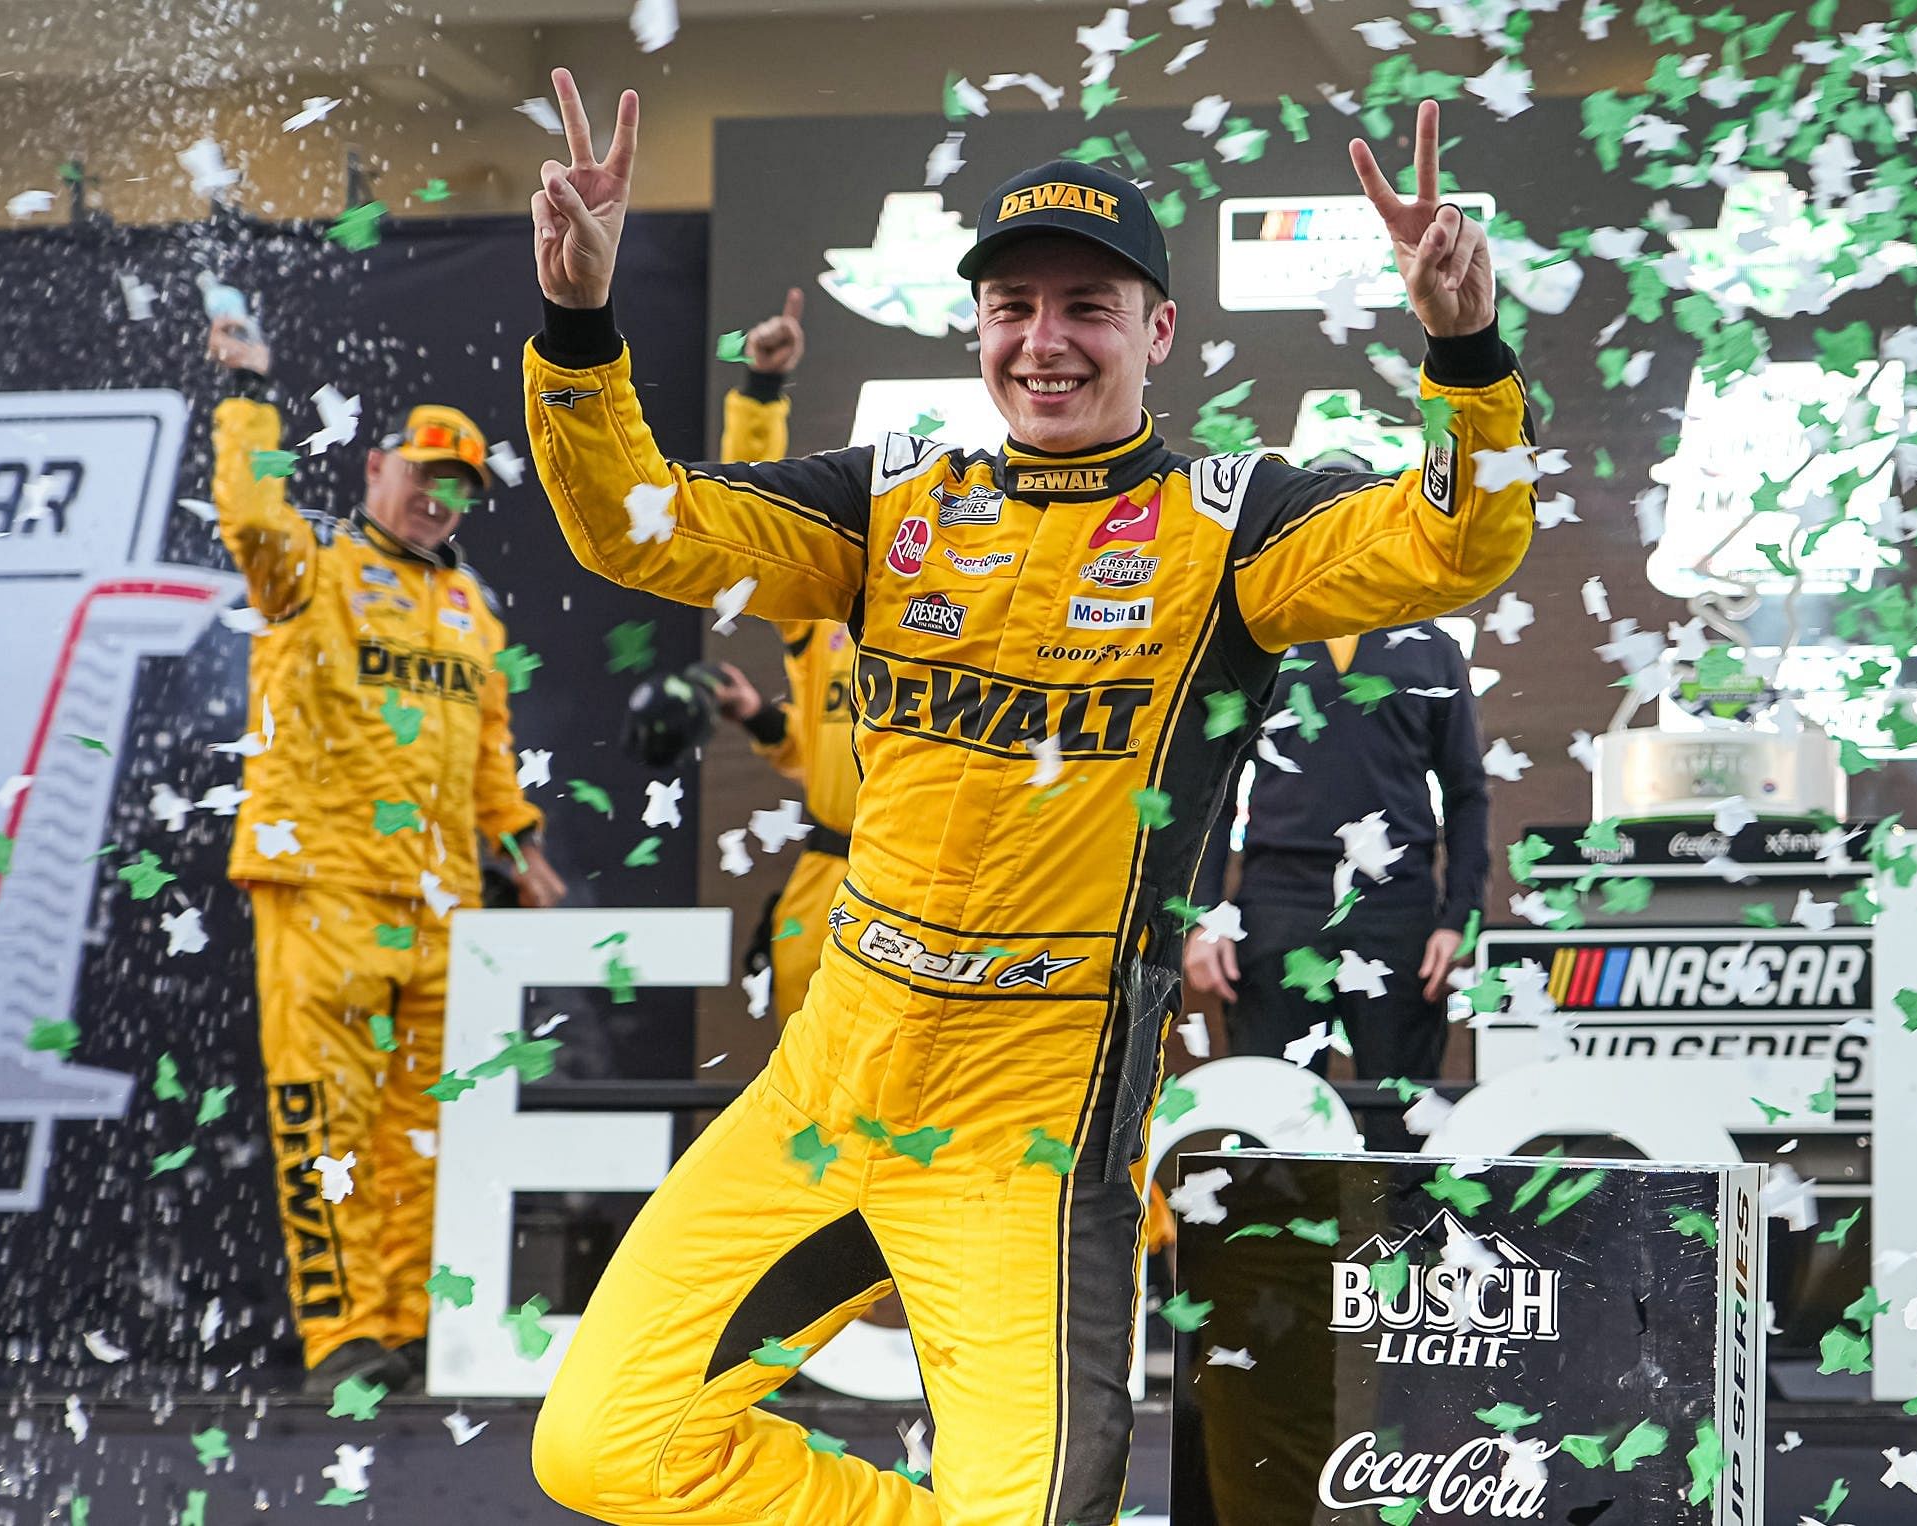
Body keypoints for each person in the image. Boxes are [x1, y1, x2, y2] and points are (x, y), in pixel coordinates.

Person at [520, 66, 1533, 1525]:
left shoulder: (1237, 526)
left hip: (1032, 1112)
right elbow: (637, 527)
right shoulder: (893, 504)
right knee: (603, 1446)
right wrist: (578, 325)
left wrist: (1465, 347)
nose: (1043, 341)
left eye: (1087, 307)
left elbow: (1457, 545)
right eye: (1014, 307)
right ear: (978, 325)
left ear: (1158, 331)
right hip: (836, 1070)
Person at [205, 317, 565, 1395]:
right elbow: (249, 517)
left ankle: (409, 1328)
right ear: (376, 467)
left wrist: (522, 849)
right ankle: (340, 1334)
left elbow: (488, 752)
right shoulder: (308, 570)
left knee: (422, 1128)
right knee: (330, 1117)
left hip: (442, 902)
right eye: (421, 474)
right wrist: (250, 396)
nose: (437, 497)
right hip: (319, 883)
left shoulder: (470, 609)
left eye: (456, 485)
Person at [1184, 616, 1492, 1145]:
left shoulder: (1431, 647)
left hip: (1397, 904)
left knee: (1405, 1117)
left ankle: (1406, 1230)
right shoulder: (1264, 639)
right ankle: (1277, 1226)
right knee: (1272, 1117)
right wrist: (1204, 911)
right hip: (1278, 901)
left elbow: (1465, 789)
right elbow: (1214, 783)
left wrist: (1460, 916)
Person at [701, 292, 864, 1023]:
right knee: (800, 1080)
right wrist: (761, 390)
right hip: (825, 875)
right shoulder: (824, 613)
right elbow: (752, 515)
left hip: (925, 882)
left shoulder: (972, 630)